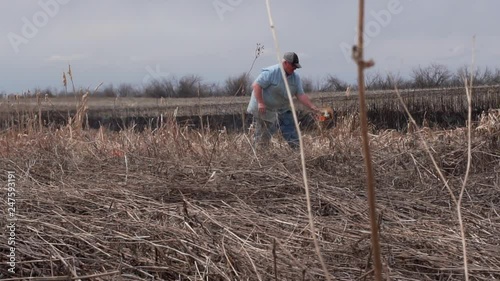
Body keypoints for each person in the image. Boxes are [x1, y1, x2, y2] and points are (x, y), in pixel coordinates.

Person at [246, 52, 320, 149]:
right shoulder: (271, 72)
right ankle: (259, 154)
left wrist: (312, 107)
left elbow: (300, 95)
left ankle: (297, 153)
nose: (295, 68)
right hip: (264, 109)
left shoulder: (295, 78)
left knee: (291, 132)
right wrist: (260, 102)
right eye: (293, 65)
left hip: (282, 108)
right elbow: (256, 85)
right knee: (263, 136)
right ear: (285, 63)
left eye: (296, 66)